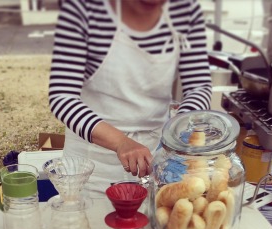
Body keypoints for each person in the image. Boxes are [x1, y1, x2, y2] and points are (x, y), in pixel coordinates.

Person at [48, 0, 212, 198]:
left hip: (156, 156)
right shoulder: (84, 10)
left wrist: (176, 133)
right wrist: (120, 142)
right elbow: (62, 97)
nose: (152, 7)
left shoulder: (185, 10)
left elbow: (199, 86)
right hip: (92, 165)